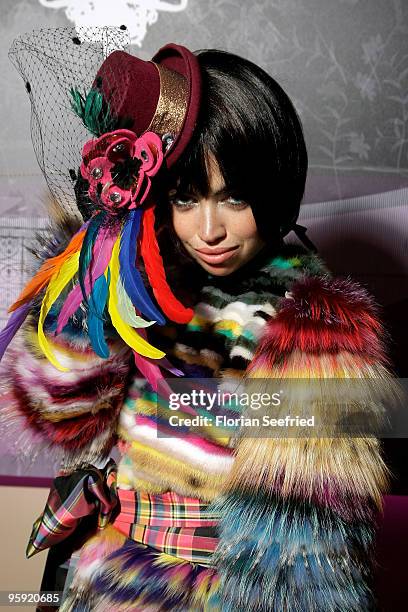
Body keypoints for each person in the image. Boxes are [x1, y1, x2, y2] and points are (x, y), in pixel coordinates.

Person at [0, 26, 393, 611]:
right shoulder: (142, 282)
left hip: (211, 591)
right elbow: (56, 415)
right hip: (105, 571)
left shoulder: (312, 326)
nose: (209, 230)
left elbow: (305, 549)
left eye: (234, 197)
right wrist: (93, 280)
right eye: (185, 197)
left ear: (275, 182)